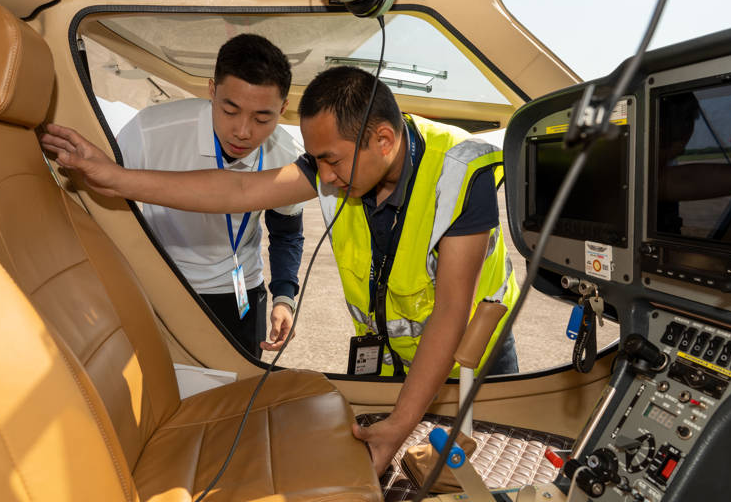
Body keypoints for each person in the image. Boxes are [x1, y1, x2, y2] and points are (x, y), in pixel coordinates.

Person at [41, 66, 519, 475]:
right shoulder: (345, 159)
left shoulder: (460, 172)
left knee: (474, 470)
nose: (324, 179)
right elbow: (239, 192)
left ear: (384, 140)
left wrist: (400, 423)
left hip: (473, 353)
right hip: (393, 353)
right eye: (317, 162)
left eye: (331, 162)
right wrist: (115, 177)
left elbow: (452, 310)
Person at [116, 34, 305, 358]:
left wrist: (284, 297)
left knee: (236, 396)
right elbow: (107, 212)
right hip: (160, 286)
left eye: (262, 118)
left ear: (283, 109)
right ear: (212, 90)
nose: (243, 131)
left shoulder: (287, 155)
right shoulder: (150, 132)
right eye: (230, 110)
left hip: (242, 292)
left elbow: (287, 232)